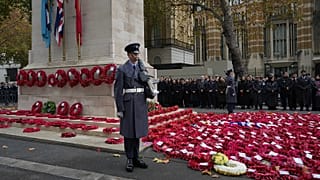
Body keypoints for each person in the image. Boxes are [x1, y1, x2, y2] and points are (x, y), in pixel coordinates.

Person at [114, 42, 149, 172]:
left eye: (137, 53)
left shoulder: (141, 67)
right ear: (129, 55)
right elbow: (118, 90)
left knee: (137, 132)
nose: (136, 56)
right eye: (134, 54)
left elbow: (146, 83)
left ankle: (136, 157)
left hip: (140, 102)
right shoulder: (122, 69)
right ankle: (129, 158)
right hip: (128, 103)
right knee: (129, 133)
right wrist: (120, 109)